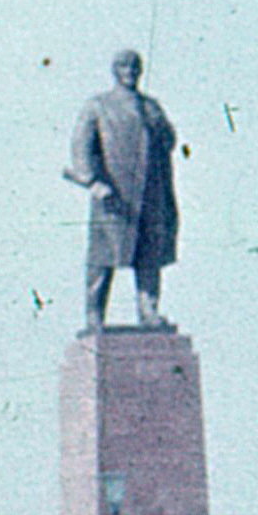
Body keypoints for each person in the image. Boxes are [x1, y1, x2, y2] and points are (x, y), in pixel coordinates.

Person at [63, 47, 184, 328]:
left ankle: (148, 311)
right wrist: (92, 181)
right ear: (114, 71)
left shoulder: (151, 106)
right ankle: (94, 314)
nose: (130, 72)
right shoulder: (99, 105)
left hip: (151, 193)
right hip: (113, 194)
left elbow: (168, 141)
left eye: (134, 67)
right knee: (103, 256)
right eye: (124, 67)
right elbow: (81, 146)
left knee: (149, 256)